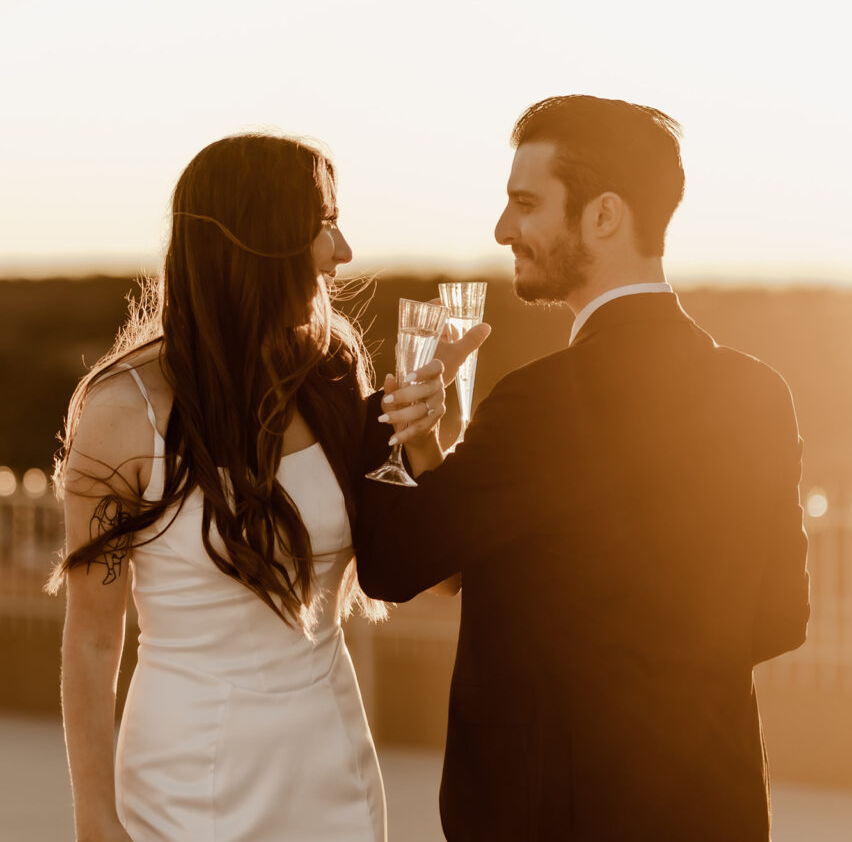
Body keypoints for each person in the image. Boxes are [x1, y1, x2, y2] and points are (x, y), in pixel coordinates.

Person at [354, 95, 811, 841]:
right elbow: (780, 618)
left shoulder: (540, 403)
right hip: (715, 810)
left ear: (604, 216)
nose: (504, 229)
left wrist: (384, 423)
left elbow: (393, 561)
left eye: (524, 203)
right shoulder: (759, 392)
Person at [49, 132, 485, 842]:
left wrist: (424, 437)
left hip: (333, 774)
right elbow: (93, 642)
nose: (343, 251)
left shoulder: (334, 372)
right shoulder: (121, 413)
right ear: (257, 240)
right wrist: (95, 819)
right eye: (324, 225)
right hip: (183, 786)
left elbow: (441, 576)